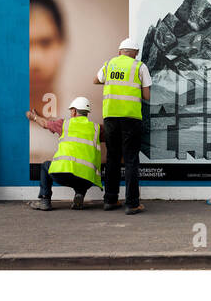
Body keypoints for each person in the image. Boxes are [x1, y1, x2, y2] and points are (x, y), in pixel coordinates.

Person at [94, 36, 148, 214]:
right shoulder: (139, 66)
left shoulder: (109, 64)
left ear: (119, 52)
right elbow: (147, 96)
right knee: (131, 160)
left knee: (112, 158)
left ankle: (110, 200)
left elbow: (96, 80)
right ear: (136, 54)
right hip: (131, 118)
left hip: (110, 118)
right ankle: (132, 204)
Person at [25, 97, 103, 211]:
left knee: (45, 166)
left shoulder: (64, 124)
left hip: (63, 174)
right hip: (87, 179)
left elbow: (45, 123)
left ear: (75, 111)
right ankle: (79, 195)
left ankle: (45, 201)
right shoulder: (97, 128)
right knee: (83, 171)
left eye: (71, 110)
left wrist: (34, 117)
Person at [28, 0, 67, 166]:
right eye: (23, 44)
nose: (34, 60)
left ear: (62, 43)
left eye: (45, 42)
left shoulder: (94, 118)